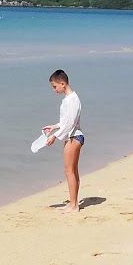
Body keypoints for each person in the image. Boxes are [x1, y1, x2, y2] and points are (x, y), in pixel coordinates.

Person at [41, 69, 85, 212]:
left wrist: (55, 136)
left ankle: (74, 205)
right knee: (72, 171)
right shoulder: (69, 99)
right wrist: (54, 127)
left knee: (69, 171)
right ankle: (73, 202)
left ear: (63, 83)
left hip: (74, 137)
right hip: (72, 136)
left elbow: (70, 124)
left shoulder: (72, 99)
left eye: (55, 87)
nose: (54, 90)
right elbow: (66, 121)